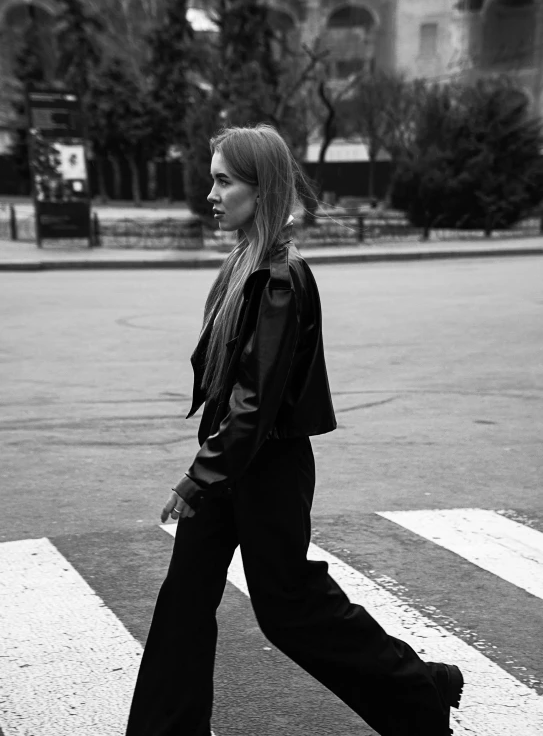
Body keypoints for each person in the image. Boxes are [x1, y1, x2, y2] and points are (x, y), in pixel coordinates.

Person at [124, 124, 463, 736]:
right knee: (184, 597)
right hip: (234, 455)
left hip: (264, 468)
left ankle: (418, 693)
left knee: (289, 610)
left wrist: (199, 476)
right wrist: (213, 463)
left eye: (224, 180)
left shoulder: (279, 279)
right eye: (213, 178)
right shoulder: (243, 263)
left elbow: (256, 402)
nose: (211, 193)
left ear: (262, 188)